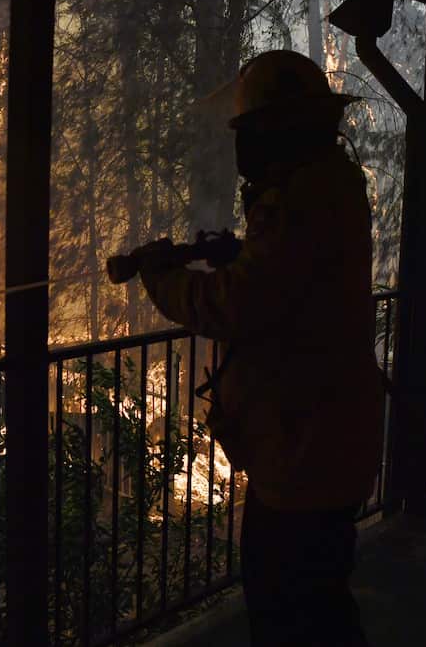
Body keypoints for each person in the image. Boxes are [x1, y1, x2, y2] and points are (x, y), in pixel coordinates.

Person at [138, 50, 382, 646]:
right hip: (322, 442)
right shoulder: (324, 188)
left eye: (249, 130)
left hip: (305, 452)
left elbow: (236, 306)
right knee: (320, 600)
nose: (244, 146)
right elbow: (289, 281)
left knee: (288, 607)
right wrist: (241, 254)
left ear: (278, 129)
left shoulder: (300, 201)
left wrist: (162, 279)